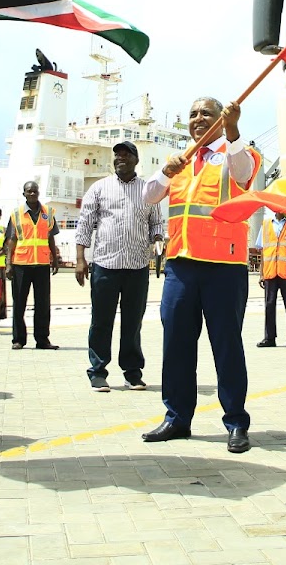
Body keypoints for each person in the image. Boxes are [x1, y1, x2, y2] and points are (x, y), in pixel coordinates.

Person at [142, 97, 260, 454]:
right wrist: (167, 171)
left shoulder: (239, 152)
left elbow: (243, 175)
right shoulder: (178, 162)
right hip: (180, 264)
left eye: (206, 114)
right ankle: (177, 418)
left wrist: (233, 130)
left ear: (221, 120)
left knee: (226, 347)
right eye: (192, 114)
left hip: (223, 267)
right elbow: (149, 197)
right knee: (176, 345)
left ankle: (236, 422)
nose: (197, 119)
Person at [73, 140, 164, 392]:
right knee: (101, 320)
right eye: (117, 155)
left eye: (126, 155)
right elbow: (84, 225)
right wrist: (81, 259)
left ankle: (132, 372)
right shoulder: (99, 188)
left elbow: (156, 223)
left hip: (137, 267)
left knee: (133, 322)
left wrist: (158, 240)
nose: (120, 158)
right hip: (105, 265)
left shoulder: (149, 190)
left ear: (136, 160)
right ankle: (98, 371)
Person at [7, 181, 60, 350]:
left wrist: (55, 258)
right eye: (29, 191)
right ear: (24, 194)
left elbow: (50, 237)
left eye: (35, 191)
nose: (32, 194)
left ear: (39, 192)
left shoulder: (49, 213)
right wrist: (8, 264)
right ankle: (18, 340)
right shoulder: (16, 214)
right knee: (19, 304)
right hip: (21, 264)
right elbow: (11, 240)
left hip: (42, 264)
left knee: (43, 304)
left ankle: (42, 340)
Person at [256, 212, 286, 349]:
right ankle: (269, 338)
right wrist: (261, 273)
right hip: (270, 271)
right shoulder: (266, 224)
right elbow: (262, 250)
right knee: (269, 305)